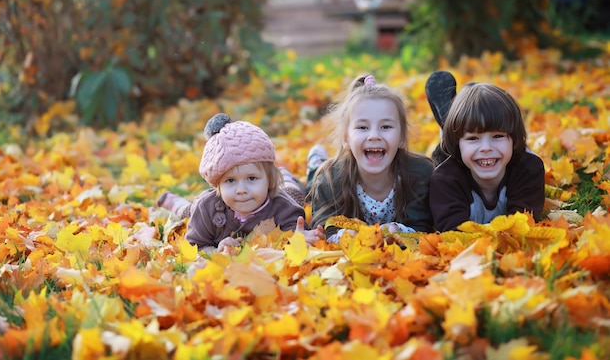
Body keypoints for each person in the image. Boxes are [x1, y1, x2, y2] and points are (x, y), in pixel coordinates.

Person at [156, 113, 325, 253]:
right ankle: (175, 202)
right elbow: (195, 247)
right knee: (189, 210)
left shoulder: (283, 207)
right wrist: (216, 251)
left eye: (251, 178)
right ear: (218, 185)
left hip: (279, 190)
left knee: (292, 192)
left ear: (269, 180)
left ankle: (290, 172)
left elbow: (296, 233)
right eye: (230, 181)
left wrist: (299, 238)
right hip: (205, 206)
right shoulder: (206, 208)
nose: (241, 190)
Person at [307, 74, 434, 242]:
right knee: (313, 178)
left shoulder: (420, 174)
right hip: (327, 172)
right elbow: (323, 227)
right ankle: (315, 160)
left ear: (402, 137)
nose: (374, 135)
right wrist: (342, 236)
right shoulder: (329, 180)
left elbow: (424, 225)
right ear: (346, 138)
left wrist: (399, 231)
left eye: (386, 126)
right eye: (363, 127)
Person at [427, 80, 546, 232]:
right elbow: (453, 233)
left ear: (514, 138)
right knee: (445, 152)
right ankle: (448, 124)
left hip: (513, 156)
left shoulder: (529, 169)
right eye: (473, 138)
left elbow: (523, 224)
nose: (486, 148)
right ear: (458, 144)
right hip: (455, 159)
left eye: (497, 136)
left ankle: (459, 123)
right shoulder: (445, 180)